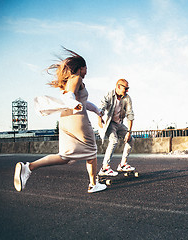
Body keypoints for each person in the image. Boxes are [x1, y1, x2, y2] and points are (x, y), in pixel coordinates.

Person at [14, 48, 107, 193]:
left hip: (65, 119)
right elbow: (69, 97)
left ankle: (29, 167)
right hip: (78, 120)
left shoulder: (69, 82)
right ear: (80, 68)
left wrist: (97, 110)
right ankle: (93, 184)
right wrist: (73, 103)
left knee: (65, 156)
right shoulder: (76, 78)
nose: (86, 72)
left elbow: (82, 101)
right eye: (86, 68)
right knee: (92, 152)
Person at [97, 79, 135, 176]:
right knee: (114, 140)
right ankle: (104, 167)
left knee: (131, 139)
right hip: (110, 124)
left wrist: (129, 132)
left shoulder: (127, 98)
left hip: (120, 124)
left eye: (128, 88)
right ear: (118, 86)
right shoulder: (109, 95)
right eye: (125, 88)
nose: (127, 91)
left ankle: (123, 164)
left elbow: (130, 115)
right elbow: (102, 106)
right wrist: (99, 118)